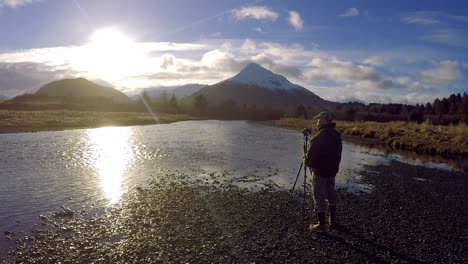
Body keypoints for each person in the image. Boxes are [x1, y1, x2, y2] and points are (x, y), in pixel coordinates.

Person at [305, 111, 342, 233]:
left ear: (325, 120)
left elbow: (310, 159)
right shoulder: (337, 135)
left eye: (319, 119)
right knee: (331, 194)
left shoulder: (318, 137)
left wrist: (305, 160)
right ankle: (333, 221)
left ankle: (321, 225)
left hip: (320, 172)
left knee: (319, 197)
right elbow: (338, 155)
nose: (317, 121)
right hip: (332, 172)